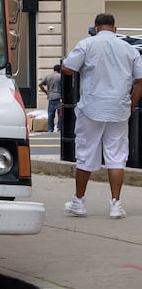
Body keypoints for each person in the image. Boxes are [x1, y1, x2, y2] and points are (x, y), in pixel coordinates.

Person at [57, 12, 142, 219]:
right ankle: (115, 204)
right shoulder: (129, 49)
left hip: (92, 107)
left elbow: (67, 68)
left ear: (96, 28)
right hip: (119, 109)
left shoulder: (87, 44)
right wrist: (131, 104)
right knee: (116, 156)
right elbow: (140, 81)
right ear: (115, 28)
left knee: (85, 154)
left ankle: (79, 202)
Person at [41, 65, 63, 134]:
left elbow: (40, 84)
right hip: (59, 96)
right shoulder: (60, 77)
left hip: (50, 97)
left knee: (50, 114)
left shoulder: (48, 76)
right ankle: (59, 128)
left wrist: (46, 92)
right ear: (60, 70)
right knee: (60, 114)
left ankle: (50, 129)